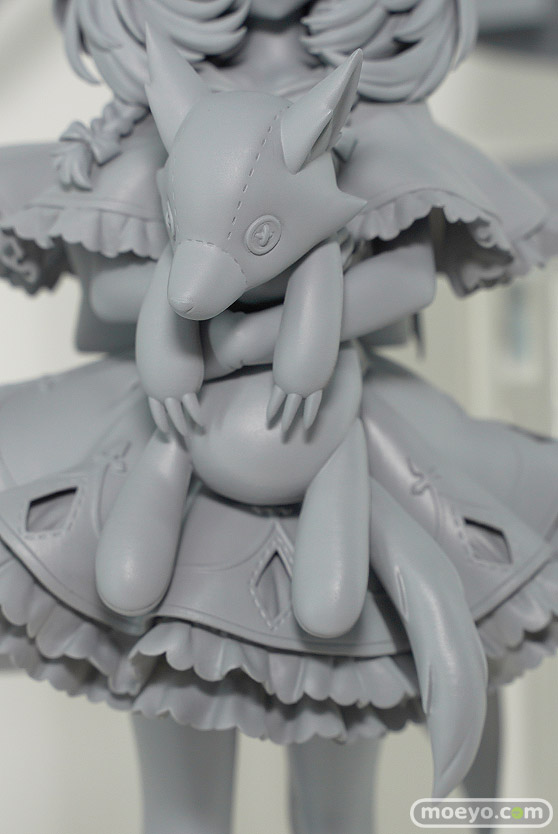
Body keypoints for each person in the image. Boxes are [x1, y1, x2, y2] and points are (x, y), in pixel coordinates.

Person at [0, 1, 555, 831]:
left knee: (340, 781)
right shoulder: (164, 103)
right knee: (180, 788)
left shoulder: (367, 104)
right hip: (181, 431)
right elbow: (112, 285)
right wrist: (217, 327)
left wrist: (271, 329)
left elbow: (406, 279)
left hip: (333, 430)